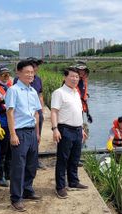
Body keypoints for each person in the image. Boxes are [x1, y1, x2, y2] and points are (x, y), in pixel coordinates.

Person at [6, 60, 42, 212]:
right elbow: (10, 112)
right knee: (18, 166)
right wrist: (13, 133)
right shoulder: (13, 90)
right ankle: (16, 198)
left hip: (31, 132)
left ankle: (27, 189)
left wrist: (37, 133)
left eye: (32, 72)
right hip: (19, 132)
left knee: (32, 164)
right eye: (27, 72)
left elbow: (36, 113)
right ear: (18, 73)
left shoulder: (33, 91)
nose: (30, 75)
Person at [51, 66, 88, 199]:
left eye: (77, 77)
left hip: (77, 129)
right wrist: (55, 129)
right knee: (63, 159)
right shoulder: (59, 92)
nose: (74, 79)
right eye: (72, 76)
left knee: (75, 157)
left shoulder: (76, 92)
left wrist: (82, 129)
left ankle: (73, 181)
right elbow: (54, 112)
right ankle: (60, 187)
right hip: (65, 129)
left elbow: (78, 112)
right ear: (65, 77)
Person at [13, 57, 46, 169]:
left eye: (36, 67)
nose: (35, 69)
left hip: (36, 111)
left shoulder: (38, 80)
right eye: (32, 66)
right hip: (22, 118)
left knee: (37, 136)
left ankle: (34, 158)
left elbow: (40, 94)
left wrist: (41, 109)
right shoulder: (17, 83)